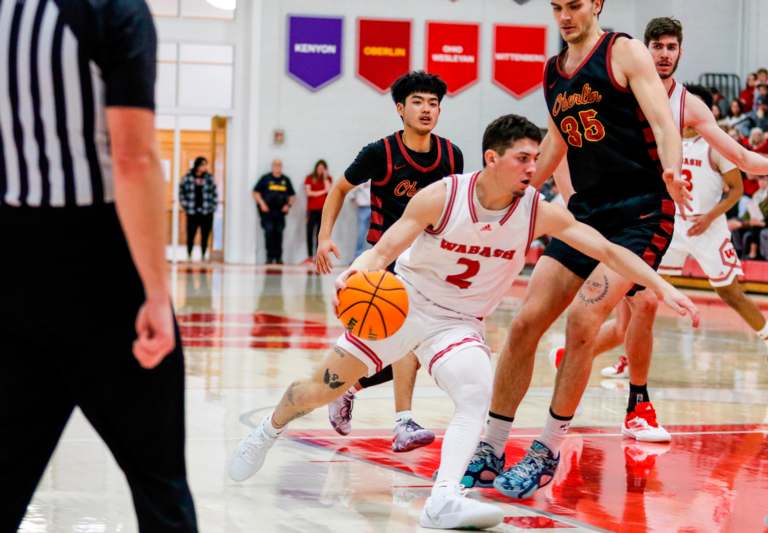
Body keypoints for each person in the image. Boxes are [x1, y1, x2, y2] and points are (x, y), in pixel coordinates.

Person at [226, 115, 698, 530]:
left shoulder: (537, 210)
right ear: (492, 158)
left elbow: (609, 250)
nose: (534, 168)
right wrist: (359, 269)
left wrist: (664, 287)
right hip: (403, 306)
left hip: (458, 323)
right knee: (318, 389)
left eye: (536, 158)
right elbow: (386, 249)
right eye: (523, 158)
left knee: (475, 393)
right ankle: (267, 430)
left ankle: (444, 498)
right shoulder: (443, 197)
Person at [463, 0, 691, 500]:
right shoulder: (552, 72)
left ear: (597, 5)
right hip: (585, 214)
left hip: (641, 212)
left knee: (583, 321)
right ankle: (492, 445)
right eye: (557, 7)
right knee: (525, 322)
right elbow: (555, 145)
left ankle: (547, 449)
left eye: (574, 5)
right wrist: (511, 194)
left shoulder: (625, 52)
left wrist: (672, 168)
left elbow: (664, 121)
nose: (564, 15)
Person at [0, 1, 198, 531]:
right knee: (159, 484)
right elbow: (132, 158)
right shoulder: (113, 10)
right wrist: (156, 292)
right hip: (100, 265)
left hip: (11, 263)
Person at [556, 19, 768, 385]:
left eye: (671, 47)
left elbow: (742, 158)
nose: (664, 54)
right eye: (658, 46)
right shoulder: (618, 91)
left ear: (680, 51)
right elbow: (570, 142)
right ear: (644, 49)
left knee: (711, 295)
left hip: (687, 221)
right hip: (644, 215)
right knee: (633, 307)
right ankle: (620, 357)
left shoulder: (690, 105)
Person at [315, 71, 464, 452]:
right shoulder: (379, 152)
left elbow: (455, 208)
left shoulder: (451, 155)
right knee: (404, 345)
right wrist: (324, 236)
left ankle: (351, 387)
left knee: (408, 347)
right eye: (418, 102)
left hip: (432, 262)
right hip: (385, 262)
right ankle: (403, 422)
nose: (427, 109)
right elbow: (340, 188)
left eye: (433, 103)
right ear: (400, 109)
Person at [253, 159, 295, 264]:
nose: (277, 167)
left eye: (279, 165)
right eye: (275, 165)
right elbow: (255, 192)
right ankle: (269, 257)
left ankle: (278, 257)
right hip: (267, 212)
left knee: (279, 234)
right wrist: (262, 204)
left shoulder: (286, 180)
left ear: (281, 167)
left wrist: (288, 205)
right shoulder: (265, 178)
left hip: (280, 213)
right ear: (272, 166)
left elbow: (292, 195)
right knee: (269, 232)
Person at [179, 156, 218, 260]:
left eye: (206, 165)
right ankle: (189, 254)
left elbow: (214, 194)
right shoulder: (187, 177)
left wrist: (213, 207)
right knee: (191, 234)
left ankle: (203, 254)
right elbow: (181, 193)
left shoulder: (209, 178)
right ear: (197, 165)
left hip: (207, 212)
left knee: (205, 234)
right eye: (203, 164)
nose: (205, 167)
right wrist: (185, 205)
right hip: (192, 212)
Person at [304, 159, 332, 262]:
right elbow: (309, 193)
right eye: (319, 168)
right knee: (309, 232)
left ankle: (317, 256)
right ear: (316, 168)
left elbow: (329, 191)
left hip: (323, 211)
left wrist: (325, 178)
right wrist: (322, 192)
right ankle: (310, 256)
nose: (320, 170)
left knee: (319, 234)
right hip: (311, 210)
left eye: (323, 168)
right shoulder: (309, 178)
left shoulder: (328, 178)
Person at [349, 181, 372, 260]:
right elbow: (351, 193)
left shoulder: (375, 176)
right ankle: (357, 256)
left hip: (375, 207)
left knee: (378, 232)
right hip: (363, 208)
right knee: (361, 233)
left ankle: (377, 257)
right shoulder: (360, 178)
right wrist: (356, 202)